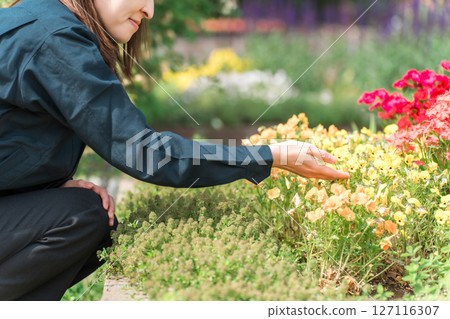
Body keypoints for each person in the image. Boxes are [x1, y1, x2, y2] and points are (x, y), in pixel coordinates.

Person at [0, 0, 350, 301]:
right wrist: (269, 156)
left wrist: (43, 189)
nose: (150, 11)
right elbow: (143, 152)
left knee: (85, 212)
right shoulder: (56, 40)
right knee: (84, 217)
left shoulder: (36, 19)